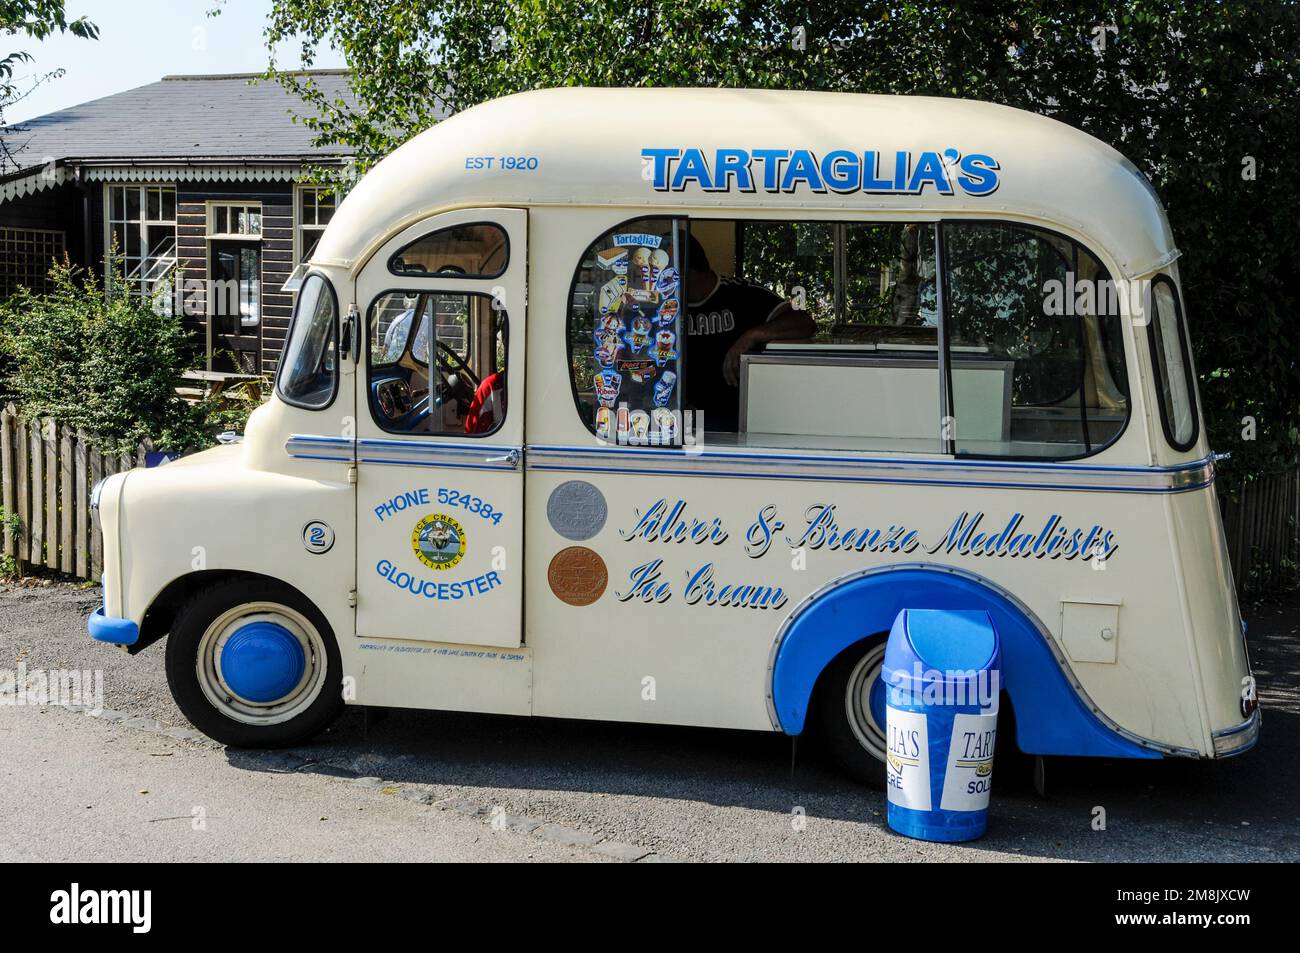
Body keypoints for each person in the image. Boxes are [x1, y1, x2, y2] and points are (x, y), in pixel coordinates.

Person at [683, 234, 816, 431]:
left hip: (735, 419)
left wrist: (751, 336)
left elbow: (804, 321)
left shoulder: (740, 294)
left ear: (688, 272)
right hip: (678, 417)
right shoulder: (655, 304)